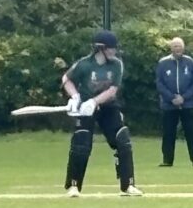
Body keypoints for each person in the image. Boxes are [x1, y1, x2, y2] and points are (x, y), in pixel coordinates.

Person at [61, 31, 143, 197]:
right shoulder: (84, 64)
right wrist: (75, 96)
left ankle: (128, 186)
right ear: (100, 48)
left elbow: (113, 90)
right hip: (84, 108)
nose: (114, 51)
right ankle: (74, 186)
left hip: (107, 106)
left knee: (122, 140)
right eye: (110, 48)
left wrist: (94, 102)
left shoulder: (116, 64)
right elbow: (66, 79)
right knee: (81, 143)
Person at [155, 36, 193, 167]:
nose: (178, 49)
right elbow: (160, 84)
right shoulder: (163, 63)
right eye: (175, 46)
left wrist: (184, 97)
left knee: (191, 132)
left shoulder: (190, 62)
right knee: (168, 133)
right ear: (171, 48)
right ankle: (167, 160)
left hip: (188, 104)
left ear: (183, 47)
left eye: (180, 46)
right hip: (169, 105)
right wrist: (172, 98)